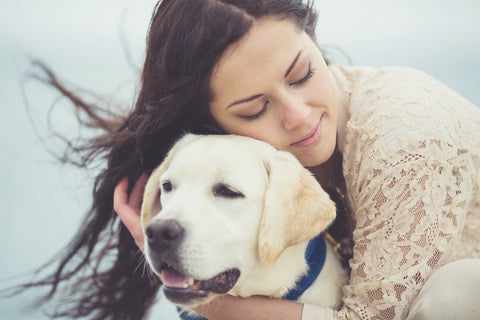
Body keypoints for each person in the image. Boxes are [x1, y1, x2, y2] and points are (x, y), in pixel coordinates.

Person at [22, 0, 480, 319]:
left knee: (454, 294)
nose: (300, 118)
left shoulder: (405, 136)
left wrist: (194, 289)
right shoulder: (235, 157)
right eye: (254, 109)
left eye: (302, 74)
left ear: (316, 40)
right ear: (215, 124)